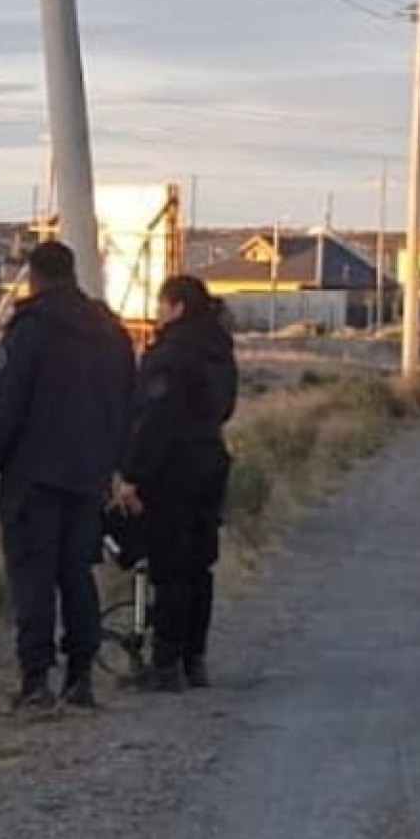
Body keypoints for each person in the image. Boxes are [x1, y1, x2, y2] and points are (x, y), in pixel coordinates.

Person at [0, 241, 136, 712]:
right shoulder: (109, 330)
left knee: (33, 578)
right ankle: (81, 678)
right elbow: (129, 400)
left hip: (34, 475)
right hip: (88, 476)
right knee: (78, 575)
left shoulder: (31, 331)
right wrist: (111, 463)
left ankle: (36, 681)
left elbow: (4, 404)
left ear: (34, 276)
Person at [111, 276, 237, 692]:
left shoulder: (169, 355)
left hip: (173, 468)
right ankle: (193, 660)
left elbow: (154, 421)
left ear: (178, 306)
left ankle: (165, 665)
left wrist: (132, 473)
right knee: (200, 564)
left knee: (170, 567)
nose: (158, 312)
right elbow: (225, 407)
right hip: (211, 461)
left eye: (162, 304)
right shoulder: (219, 351)